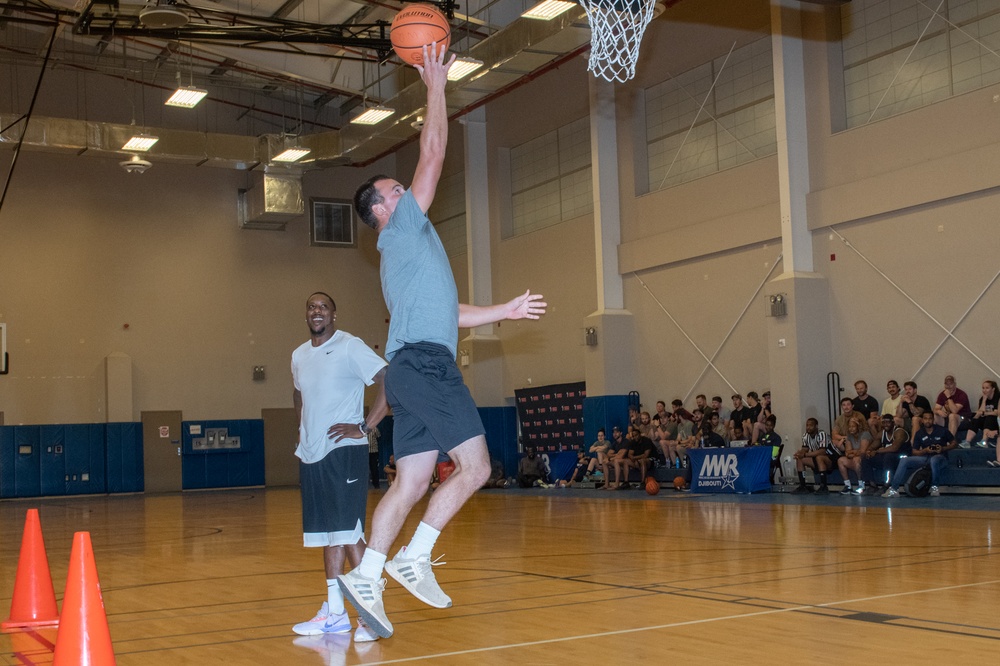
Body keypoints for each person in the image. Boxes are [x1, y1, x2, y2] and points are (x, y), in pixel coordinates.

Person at [338, 44, 547, 641]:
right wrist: (435, 83)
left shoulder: (407, 255)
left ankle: (371, 573)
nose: (408, 190)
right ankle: (415, 556)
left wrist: (503, 309)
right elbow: (432, 153)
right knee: (477, 466)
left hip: (412, 366)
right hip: (425, 368)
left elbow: (447, 313)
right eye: (396, 189)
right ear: (383, 207)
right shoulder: (402, 226)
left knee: (409, 483)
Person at [290, 291, 389, 642]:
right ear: (306, 315)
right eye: (311, 306)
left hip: (344, 451)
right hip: (312, 453)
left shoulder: (350, 346)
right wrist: (303, 433)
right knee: (327, 534)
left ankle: (371, 614)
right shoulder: (299, 355)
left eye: (323, 307)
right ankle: (335, 613)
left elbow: (388, 381)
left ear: (334, 314)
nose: (316, 311)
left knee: (348, 531)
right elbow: (299, 395)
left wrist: (364, 427)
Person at [882, 412, 957, 498]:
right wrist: (925, 450)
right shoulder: (919, 433)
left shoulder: (942, 430)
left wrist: (943, 448)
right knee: (904, 460)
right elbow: (914, 451)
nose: (928, 421)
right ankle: (894, 489)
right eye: (925, 418)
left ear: (933, 420)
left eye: (930, 418)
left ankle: (935, 487)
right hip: (925, 457)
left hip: (941, 458)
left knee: (934, 460)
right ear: (922, 420)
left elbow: (954, 443)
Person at [861, 413, 909, 492]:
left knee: (888, 456)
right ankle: (872, 485)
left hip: (902, 457)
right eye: (883, 422)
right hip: (888, 457)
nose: (885, 424)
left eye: (888, 422)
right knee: (866, 457)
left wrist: (877, 451)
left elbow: (894, 448)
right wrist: (869, 451)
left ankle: (887, 484)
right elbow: (872, 446)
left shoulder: (899, 432)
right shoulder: (881, 433)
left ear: (893, 423)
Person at [791, 418, 833, 494]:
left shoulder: (822, 434)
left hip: (829, 460)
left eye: (811, 425)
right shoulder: (805, 435)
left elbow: (822, 451)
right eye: (807, 425)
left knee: (819, 457)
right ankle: (803, 486)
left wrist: (805, 454)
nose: (808, 427)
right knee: (800, 459)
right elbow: (805, 449)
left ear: (816, 426)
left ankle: (824, 487)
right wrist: (799, 453)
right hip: (816, 460)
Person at [965, 380, 999, 463]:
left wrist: (985, 413)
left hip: (996, 422)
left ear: (993, 389)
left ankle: (984, 441)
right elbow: (980, 412)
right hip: (987, 420)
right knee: (976, 419)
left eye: (987, 388)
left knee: (989, 417)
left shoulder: (998, 397)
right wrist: (984, 400)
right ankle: (967, 441)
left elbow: (997, 412)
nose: (984, 390)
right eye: (983, 388)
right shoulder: (983, 398)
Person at [837, 418, 871, 495]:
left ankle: (861, 486)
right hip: (854, 458)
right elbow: (847, 453)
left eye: (853, 426)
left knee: (856, 459)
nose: (851, 429)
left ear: (858, 427)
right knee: (841, 460)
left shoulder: (865, 434)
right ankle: (848, 486)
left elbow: (862, 452)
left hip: (866, 459)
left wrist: (852, 452)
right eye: (849, 427)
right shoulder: (849, 436)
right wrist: (854, 452)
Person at [366, 421, 382, 489]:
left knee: (374, 469)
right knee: (367, 469)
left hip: (373, 452)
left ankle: (376, 484)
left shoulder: (374, 428)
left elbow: (379, 437)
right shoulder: (362, 429)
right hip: (366, 451)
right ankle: (367, 484)